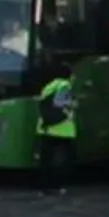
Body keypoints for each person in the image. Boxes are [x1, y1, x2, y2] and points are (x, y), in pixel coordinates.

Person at [35, 65, 78, 195]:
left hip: (46, 128)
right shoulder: (64, 85)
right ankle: (58, 186)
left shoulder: (49, 86)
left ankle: (45, 187)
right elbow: (60, 102)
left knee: (46, 160)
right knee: (63, 160)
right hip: (62, 129)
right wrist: (72, 104)